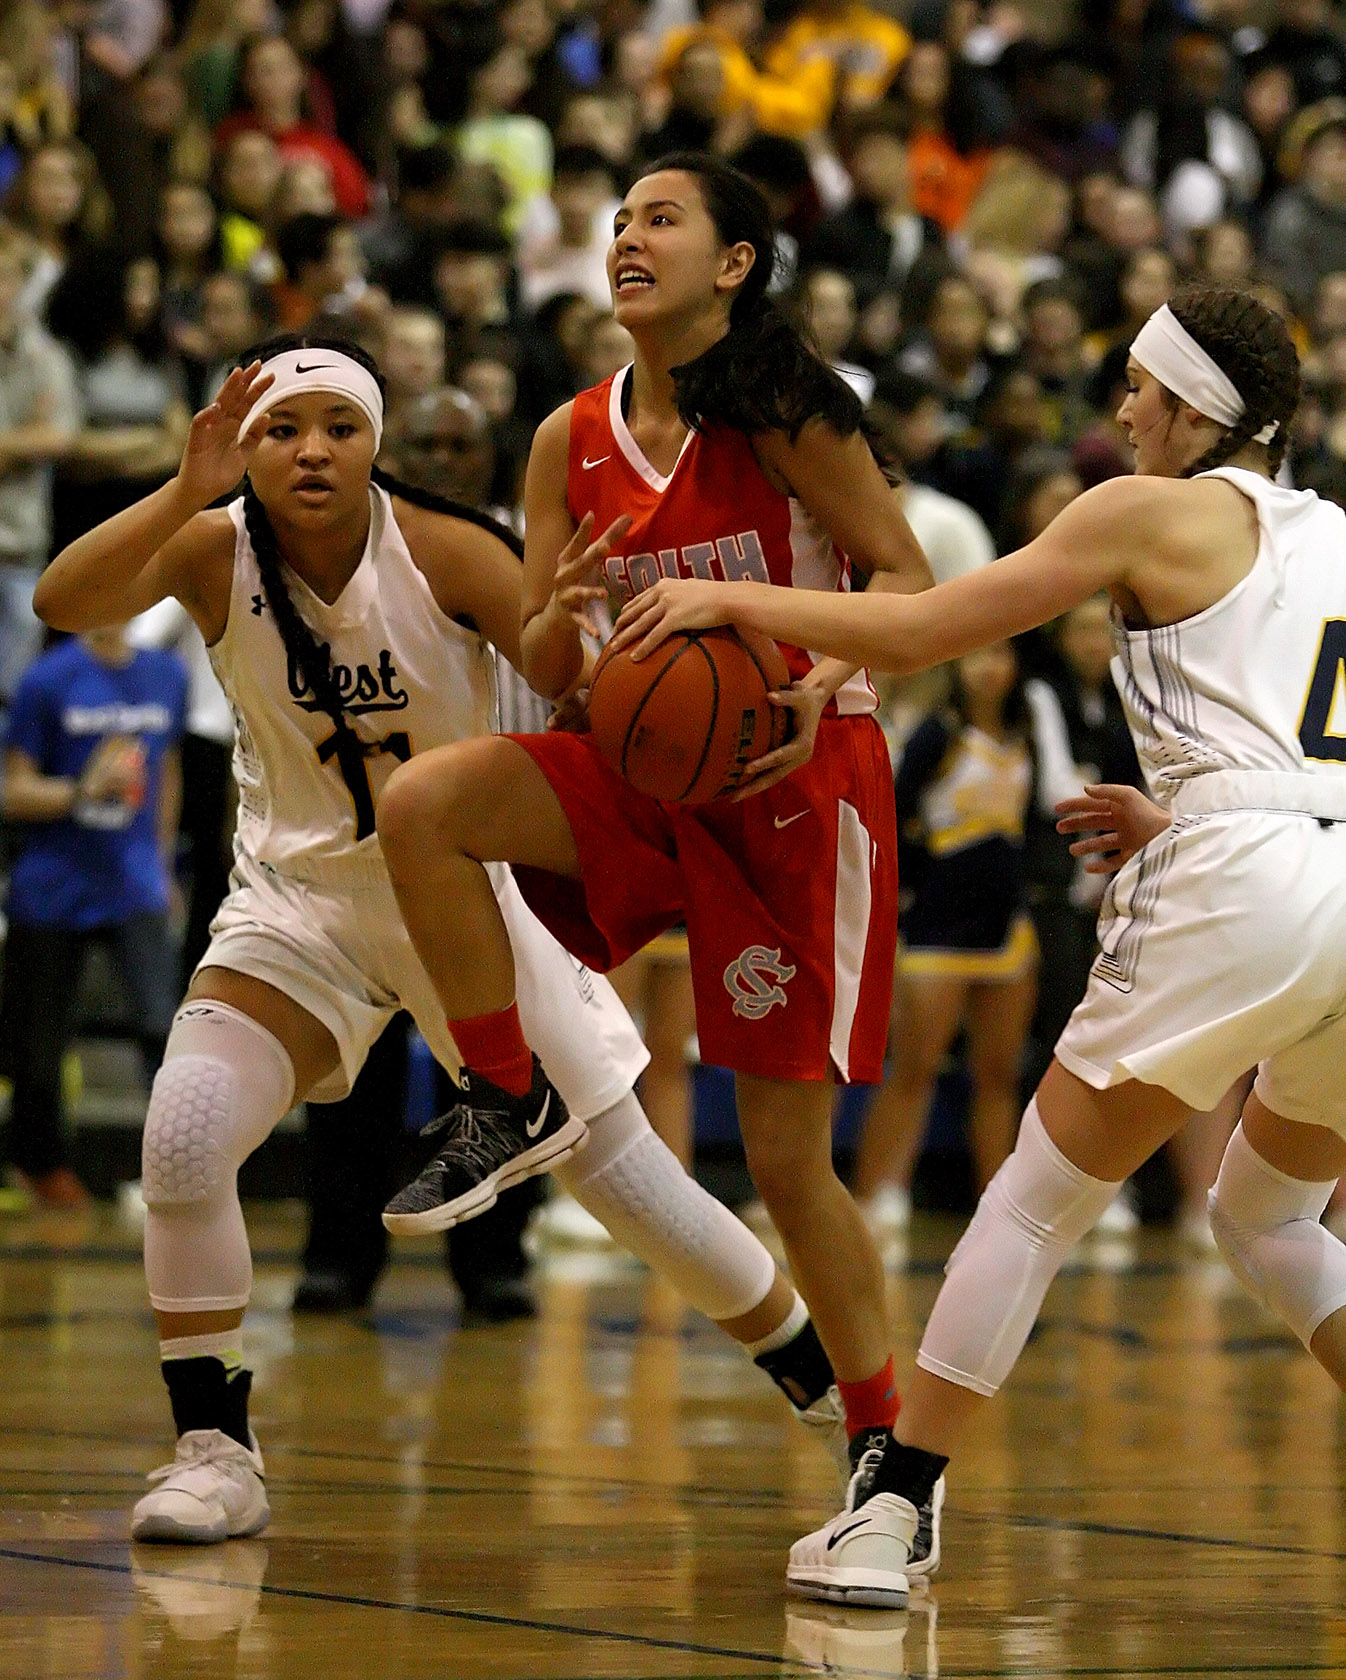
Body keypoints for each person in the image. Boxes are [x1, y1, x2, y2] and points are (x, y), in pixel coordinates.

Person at [33, 335, 886, 1550]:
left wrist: (577, 638)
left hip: (461, 896)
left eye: (338, 424)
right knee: (178, 1141)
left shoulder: (443, 548)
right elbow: (61, 604)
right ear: (246, 449)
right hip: (296, 902)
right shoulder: (210, 549)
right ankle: (214, 1452)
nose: (310, 449)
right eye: (281, 431)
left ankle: (842, 1420)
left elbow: (579, 695)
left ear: (375, 439)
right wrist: (184, 484)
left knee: (642, 1200)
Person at [609, 284, 1346, 1609]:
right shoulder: (1338, 536)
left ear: (1193, 410)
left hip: (1245, 884)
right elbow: (1301, 761)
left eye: (1138, 385)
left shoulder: (1141, 509)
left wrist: (736, 608)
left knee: (1032, 1198)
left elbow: (917, 627)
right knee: (1269, 1216)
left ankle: (891, 1514)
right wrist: (1188, 806)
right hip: (1329, 871)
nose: (1119, 408)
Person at [374, 155, 938, 1524]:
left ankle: (887, 1456)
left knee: (789, 1165)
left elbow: (910, 581)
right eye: (617, 218)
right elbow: (552, 661)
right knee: (423, 805)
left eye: (662, 218)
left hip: (795, 784)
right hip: (648, 765)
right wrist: (550, 611)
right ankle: (508, 1090)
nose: (629, 236)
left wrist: (823, 687)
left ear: (733, 263)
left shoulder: (787, 412)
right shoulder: (565, 435)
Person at [854, 640, 1038, 1237]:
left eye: (1001, 657)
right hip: (938, 928)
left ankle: (997, 1204)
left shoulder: (1027, 732)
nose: (990, 667)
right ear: (956, 665)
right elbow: (893, 813)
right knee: (914, 1068)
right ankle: (878, 1192)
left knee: (998, 1075)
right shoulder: (939, 734)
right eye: (978, 657)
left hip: (1005, 930)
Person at [0, 620, 185, 1207]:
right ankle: (42, 1167)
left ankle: (181, 1166)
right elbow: (13, 791)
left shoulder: (165, 675)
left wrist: (159, 860)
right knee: (36, 1047)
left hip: (133, 882)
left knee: (167, 1029)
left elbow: (168, 771)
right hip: (53, 886)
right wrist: (82, 790)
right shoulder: (48, 680)